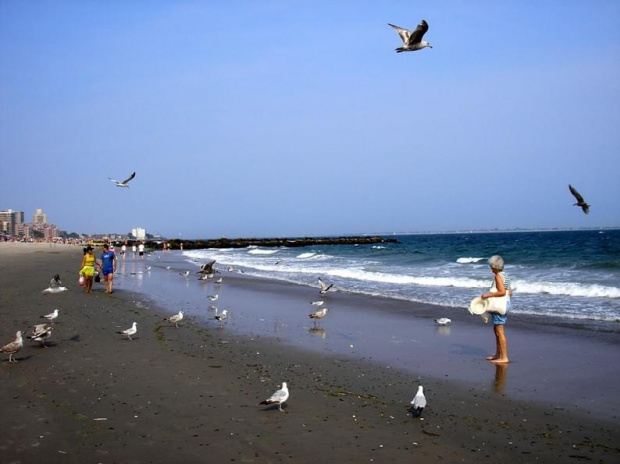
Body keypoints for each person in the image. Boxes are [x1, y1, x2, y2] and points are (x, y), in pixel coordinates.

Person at [481, 255, 512, 364]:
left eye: (491, 266)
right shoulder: (506, 276)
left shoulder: (498, 276)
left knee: (500, 331)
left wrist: (488, 295)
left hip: (500, 306)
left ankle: (504, 357)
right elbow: (510, 292)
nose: (490, 268)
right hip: (506, 304)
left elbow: (502, 292)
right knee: (497, 330)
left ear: (495, 267)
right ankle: (498, 354)